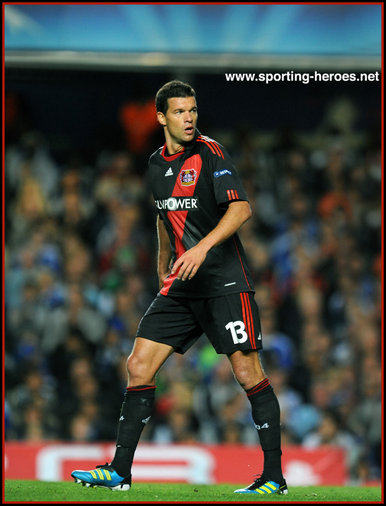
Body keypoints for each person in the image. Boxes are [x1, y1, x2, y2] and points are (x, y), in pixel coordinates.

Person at [71, 80, 287, 495]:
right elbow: (163, 218)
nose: (189, 118)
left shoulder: (210, 153)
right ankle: (119, 472)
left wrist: (202, 249)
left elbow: (241, 208)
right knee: (138, 364)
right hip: (182, 286)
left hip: (225, 282)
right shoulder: (155, 164)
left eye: (193, 110)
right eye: (180, 112)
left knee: (247, 372)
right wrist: (161, 271)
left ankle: (274, 478)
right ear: (161, 117)